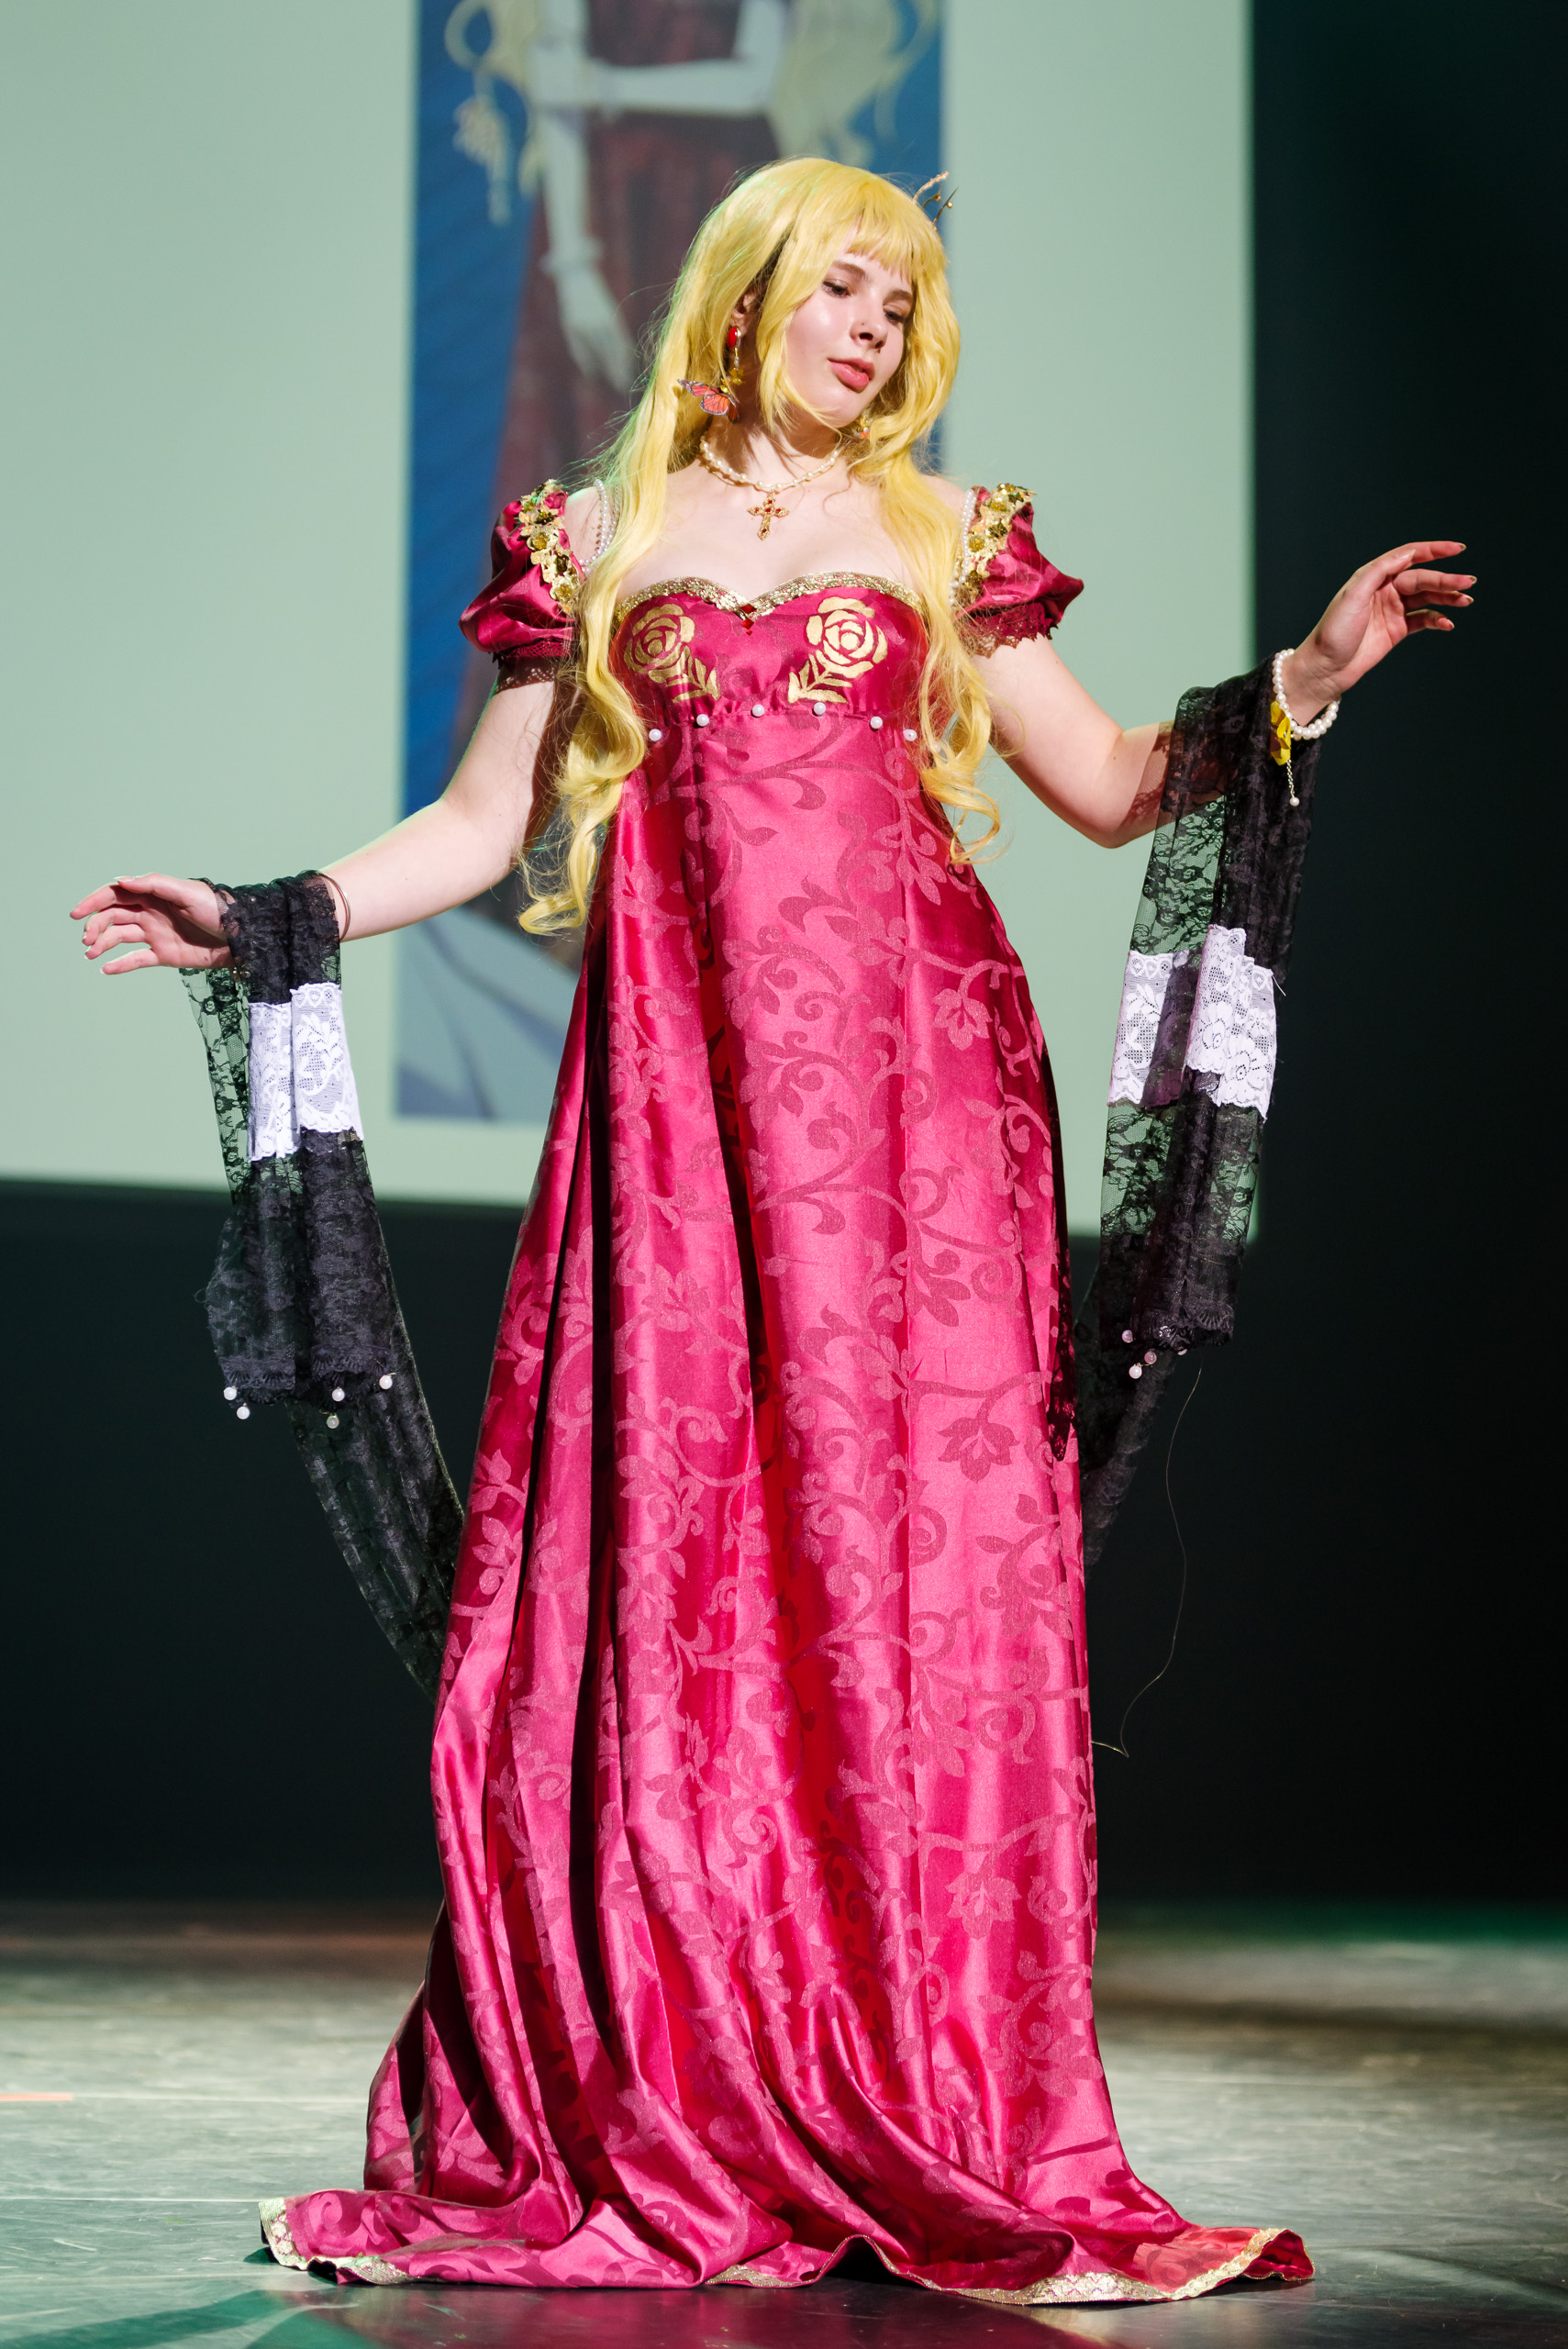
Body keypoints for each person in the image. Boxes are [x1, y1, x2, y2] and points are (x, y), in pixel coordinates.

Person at [70, 158, 1470, 2303]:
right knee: (676, 1562)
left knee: (905, 1564)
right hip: (680, 1118)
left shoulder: (940, 532)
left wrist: (1307, 675)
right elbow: (481, 821)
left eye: (902, 307)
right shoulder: (589, 536)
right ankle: (686, 2059)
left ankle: (916, 2064)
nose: (877, 334)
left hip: (919, 1116)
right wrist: (269, 911)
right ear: (745, 301)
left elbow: (1114, 782)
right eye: (846, 292)